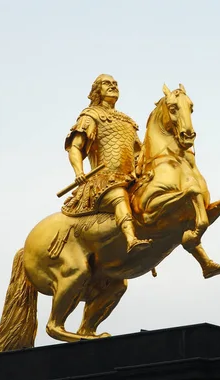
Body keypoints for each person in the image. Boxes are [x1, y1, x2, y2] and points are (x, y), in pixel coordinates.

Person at [62, 74, 152, 253]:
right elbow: (76, 147)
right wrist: (79, 172)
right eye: (107, 83)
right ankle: (131, 239)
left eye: (115, 83)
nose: (113, 86)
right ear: (97, 90)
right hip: (103, 182)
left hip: (130, 179)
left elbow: (139, 153)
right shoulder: (91, 115)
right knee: (118, 194)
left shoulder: (127, 121)